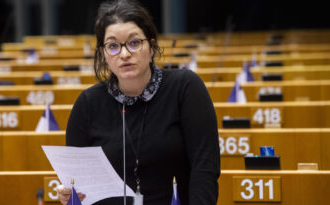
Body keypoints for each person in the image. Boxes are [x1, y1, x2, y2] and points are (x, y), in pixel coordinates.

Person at [57, 0, 220, 204]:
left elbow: (205, 168)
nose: (124, 54)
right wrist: (69, 194)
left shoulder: (185, 88)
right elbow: (78, 184)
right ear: (103, 54)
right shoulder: (87, 104)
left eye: (134, 43)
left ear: (151, 47)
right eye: (113, 46)